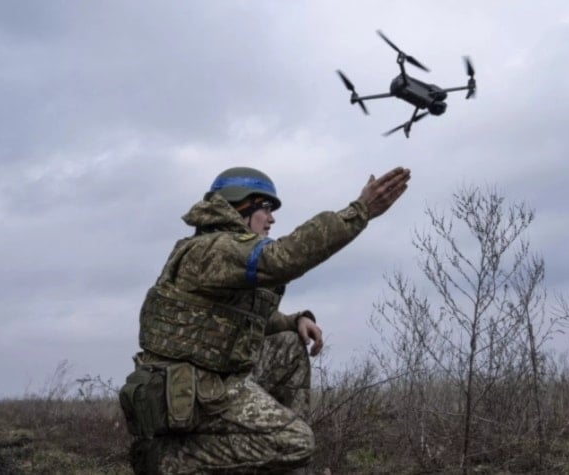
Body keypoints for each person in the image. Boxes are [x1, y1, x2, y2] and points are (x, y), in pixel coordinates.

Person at [119, 166, 411, 474]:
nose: (271, 218)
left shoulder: (222, 252)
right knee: (297, 443)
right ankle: (168, 460)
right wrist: (360, 211)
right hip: (191, 392)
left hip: (212, 378)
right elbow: (283, 258)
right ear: (239, 207)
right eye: (265, 208)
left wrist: (293, 321)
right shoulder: (213, 250)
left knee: (288, 346)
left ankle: (282, 466)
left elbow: (238, 322)